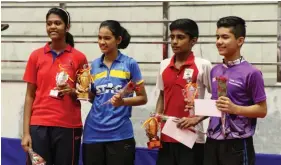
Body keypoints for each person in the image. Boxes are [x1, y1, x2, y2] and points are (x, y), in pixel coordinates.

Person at [21, 7, 88, 165]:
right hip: (39, 125)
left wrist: (72, 91)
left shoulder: (79, 58)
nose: (52, 26)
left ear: (67, 27)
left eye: (57, 23)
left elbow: (85, 94)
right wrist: (25, 133)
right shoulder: (35, 56)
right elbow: (29, 95)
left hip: (68, 126)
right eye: (49, 23)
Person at [81, 20, 148, 165]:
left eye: (107, 38)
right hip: (92, 134)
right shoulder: (93, 66)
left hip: (120, 135)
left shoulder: (130, 64)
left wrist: (122, 102)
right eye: (99, 38)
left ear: (118, 40)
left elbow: (143, 98)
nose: (102, 42)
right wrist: (80, 91)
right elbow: (93, 97)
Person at [204, 16, 267, 165]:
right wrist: (197, 117)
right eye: (217, 37)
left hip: (237, 144)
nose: (219, 41)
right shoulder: (215, 70)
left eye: (225, 37)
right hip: (212, 141)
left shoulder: (252, 73)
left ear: (240, 41)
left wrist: (235, 108)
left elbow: (262, 110)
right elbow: (217, 105)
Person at [153, 18, 212, 165]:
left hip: (192, 137)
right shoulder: (164, 65)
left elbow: (217, 99)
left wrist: (197, 118)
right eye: (172, 37)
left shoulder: (203, 65)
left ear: (193, 41)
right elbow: (162, 95)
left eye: (180, 37)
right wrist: (155, 120)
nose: (174, 42)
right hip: (166, 135)